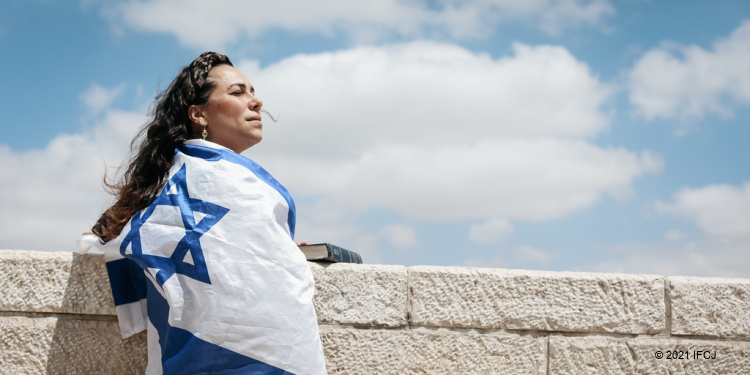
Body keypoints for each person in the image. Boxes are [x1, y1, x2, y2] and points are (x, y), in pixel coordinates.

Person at [83, 52, 327, 375]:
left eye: (253, 91)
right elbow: (104, 240)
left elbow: (235, 253)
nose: (255, 101)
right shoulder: (166, 188)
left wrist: (279, 251)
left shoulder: (250, 188)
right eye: (238, 92)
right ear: (198, 114)